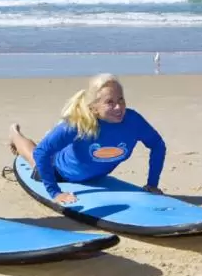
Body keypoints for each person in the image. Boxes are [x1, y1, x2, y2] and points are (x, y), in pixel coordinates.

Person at [9, 73, 166, 205]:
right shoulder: (79, 124)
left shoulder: (133, 121)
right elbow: (42, 152)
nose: (118, 107)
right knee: (34, 156)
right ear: (94, 107)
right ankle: (15, 134)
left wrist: (152, 184)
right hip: (58, 171)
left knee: (51, 145)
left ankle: (50, 137)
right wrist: (55, 193)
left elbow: (157, 145)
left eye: (121, 100)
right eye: (109, 102)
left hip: (94, 177)